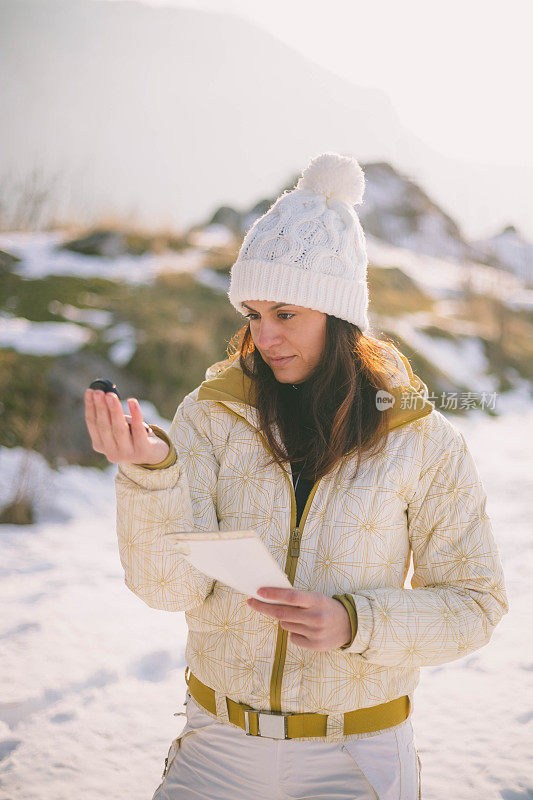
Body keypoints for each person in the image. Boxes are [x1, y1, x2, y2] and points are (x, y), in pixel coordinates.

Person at [84, 152, 509, 800]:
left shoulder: (421, 442)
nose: (266, 336)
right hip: (216, 745)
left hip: (356, 755)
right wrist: (151, 472)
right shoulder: (209, 417)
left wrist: (355, 623)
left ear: (338, 317)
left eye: (286, 314)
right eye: (253, 314)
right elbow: (168, 590)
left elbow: (475, 606)